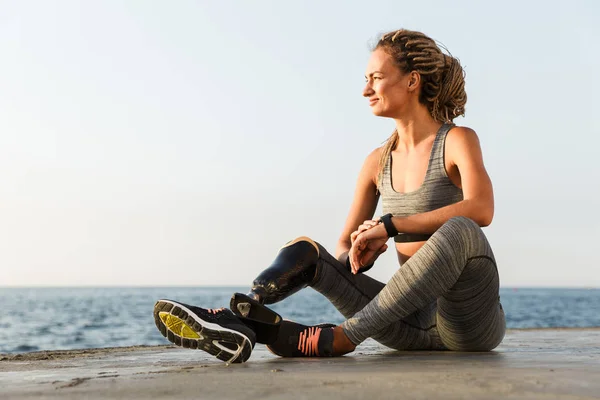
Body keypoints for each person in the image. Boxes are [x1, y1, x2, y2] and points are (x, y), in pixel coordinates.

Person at [153, 28, 506, 363]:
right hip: (406, 322)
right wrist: (357, 257)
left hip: (467, 324)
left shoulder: (457, 141)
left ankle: (341, 338)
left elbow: (482, 209)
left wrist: (391, 225)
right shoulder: (376, 162)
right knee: (307, 251)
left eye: (376, 78)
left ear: (412, 80)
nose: (366, 89)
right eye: (366, 79)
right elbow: (340, 250)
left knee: (462, 229)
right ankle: (243, 317)